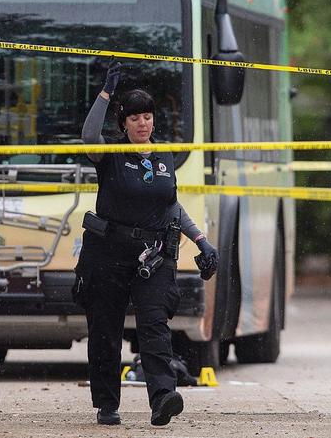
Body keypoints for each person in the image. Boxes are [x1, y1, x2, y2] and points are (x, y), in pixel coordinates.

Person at [75, 60, 219, 426]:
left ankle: (163, 398)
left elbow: (170, 205)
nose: (142, 123)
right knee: (106, 332)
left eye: (147, 116)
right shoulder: (110, 155)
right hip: (108, 254)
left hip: (153, 257)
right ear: (123, 123)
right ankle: (107, 404)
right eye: (135, 117)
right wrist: (106, 93)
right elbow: (89, 137)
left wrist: (201, 240)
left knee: (155, 326)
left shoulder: (165, 156)